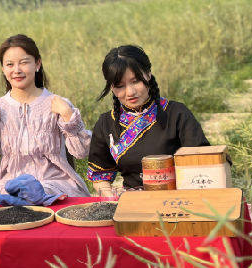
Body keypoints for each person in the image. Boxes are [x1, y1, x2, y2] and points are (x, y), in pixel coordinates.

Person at [0, 34, 91, 200]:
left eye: (24, 62)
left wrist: (69, 116)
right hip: (10, 186)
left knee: (38, 195)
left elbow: (82, 151)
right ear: (3, 69)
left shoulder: (57, 104)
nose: (17, 70)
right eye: (10, 64)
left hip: (54, 184)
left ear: (37, 64)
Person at [87, 45, 210, 195]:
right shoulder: (106, 123)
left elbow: (202, 161)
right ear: (112, 88)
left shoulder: (176, 113)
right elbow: (100, 176)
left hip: (180, 199)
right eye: (120, 86)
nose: (130, 92)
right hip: (134, 205)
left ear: (148, 74)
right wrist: (110, 196)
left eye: (136, 81)